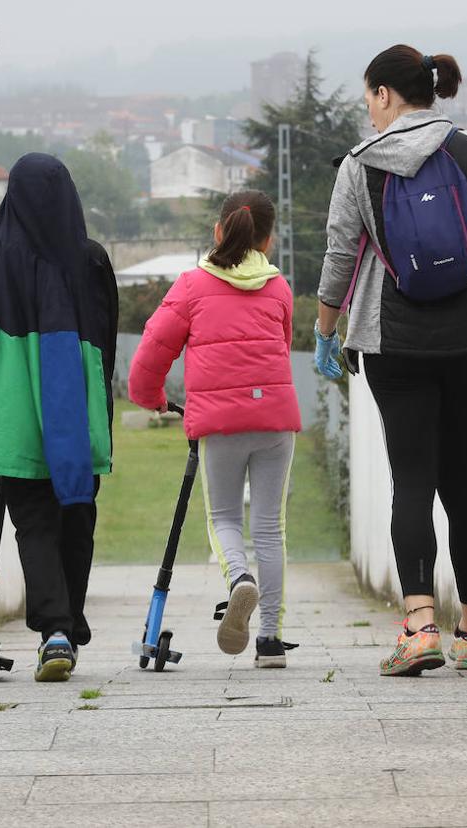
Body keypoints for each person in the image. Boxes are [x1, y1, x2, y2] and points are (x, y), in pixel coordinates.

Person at [313, 45, 467, 677]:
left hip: (393, 345)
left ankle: (420, 627)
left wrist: (325, 330)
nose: (369, 110)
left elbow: (341, 258)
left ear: (386, 96)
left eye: (369, 96)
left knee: (412, 478)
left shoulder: (358, 166)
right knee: (464, 483)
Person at [0, 153, 118, 682]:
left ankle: (55, 631)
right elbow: (105, 340)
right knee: (77, 515)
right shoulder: (90, 259)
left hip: (12, 421)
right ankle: (68, 619)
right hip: (76, 418)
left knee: (33, 524)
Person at [128, 190, 302, 668]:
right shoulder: (279, 287)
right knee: (270, 526)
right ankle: (269, 640)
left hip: (219, 423)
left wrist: (151, 399)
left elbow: (152, 350)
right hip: (274, 420)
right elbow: (281, 349)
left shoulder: (190, 285)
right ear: (268, 240)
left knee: (223, 518)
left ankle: (238, 580)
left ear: (218, 231)